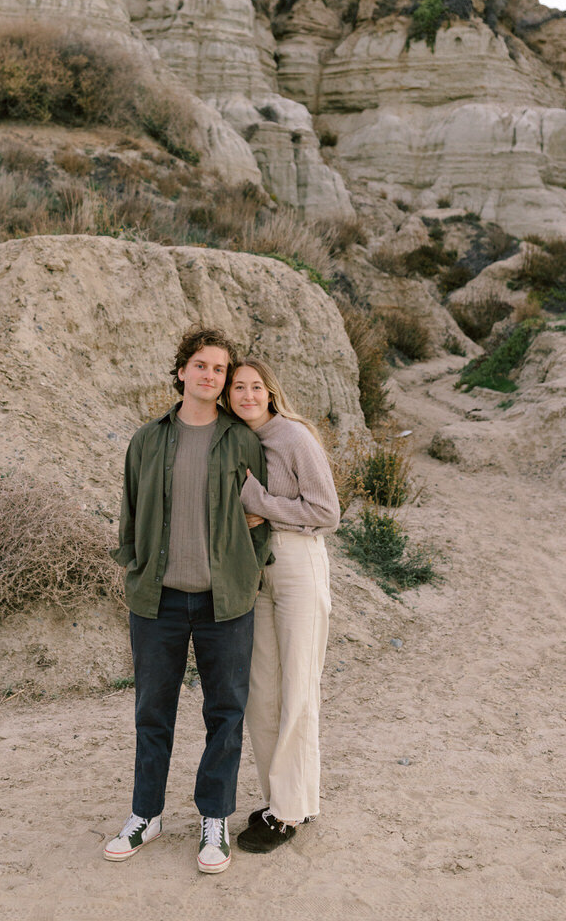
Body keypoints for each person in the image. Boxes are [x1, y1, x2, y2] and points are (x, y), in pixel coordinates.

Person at [104, 327, 270, 874]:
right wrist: (135, 564)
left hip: (227, 603)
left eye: (219, 369)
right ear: (181, 372)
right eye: (200, 365)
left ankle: (214, 819)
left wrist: (250, 567)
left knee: (225, 713)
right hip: (159, 600)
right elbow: (129, 507)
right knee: (153, 711)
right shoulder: (147, 439)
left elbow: (261, 514)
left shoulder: (242, 440)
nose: (210, 376)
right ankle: (145, 815)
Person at [226, 357, 339, 854]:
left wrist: (260, 503)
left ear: (270, 392)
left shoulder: (294, 436)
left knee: (297, 687)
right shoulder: (237, 440)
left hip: (298, 566)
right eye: (238, 387)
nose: (247, 395)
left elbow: (325, 512)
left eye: (256, 386)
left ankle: (287, 813)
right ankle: (285, 800)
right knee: (261, 690)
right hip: (258, 569)